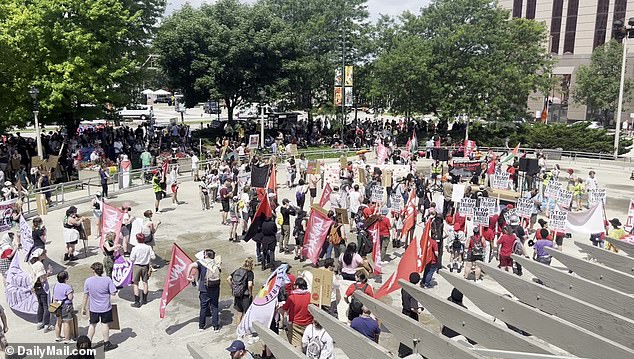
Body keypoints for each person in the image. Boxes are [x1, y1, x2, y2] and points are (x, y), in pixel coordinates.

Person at [82, 262, 118, 351]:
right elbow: (113, 293)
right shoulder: (107, 280)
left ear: (93, 270)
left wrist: (83, 307)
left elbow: (86, 295)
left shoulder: (88, 281)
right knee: (105, 325)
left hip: (94, 308)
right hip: (105, 308)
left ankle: (87, 345)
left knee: (92, 325)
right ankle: (106, 344)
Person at [187, 249, 222, 331]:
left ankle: (201, 326)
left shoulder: (201, 263)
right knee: (215, 307)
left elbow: (191, 266)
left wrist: (187, 275)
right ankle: (215, 326)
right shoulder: (216, 263)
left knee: (203, 307)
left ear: (206, 255)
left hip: (204, 288)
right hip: (215, 287)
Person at [282, 277, 313, 348]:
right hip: (309, 323)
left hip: (295, 324)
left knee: (296, 345)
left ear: (297, 286)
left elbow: (285, 308)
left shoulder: (292, 297)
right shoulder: (310, 296)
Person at [28, 248, 53, 332]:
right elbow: (42, 279)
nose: (46, 255)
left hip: (36, 287)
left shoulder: (34, 264)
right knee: (46, 306)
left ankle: (39, 322)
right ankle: (46, 324)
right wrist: (48, 273)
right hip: (42, 287)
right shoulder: (39, 265)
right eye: (44, 253)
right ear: (40, 255)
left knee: (40, 304)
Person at [399, 272, 422, 357]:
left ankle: (401, 351)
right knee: (412, 335)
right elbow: (413, 308)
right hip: (411, 315)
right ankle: (408, 352)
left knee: (404, 333)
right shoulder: (413, 291)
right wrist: (419, 310)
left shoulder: (404, 288)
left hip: (404, 312)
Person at [129, 233, 156, 308]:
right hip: (145, 266)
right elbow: (153, 257)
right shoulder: (148, 247)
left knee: (136, 284)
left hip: (137, 266)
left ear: (137, 239)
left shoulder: (135, 248)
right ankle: (144, 300)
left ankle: (137, 302)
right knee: (145, 283)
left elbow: (131, 259)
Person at [227, 257, 254, 325]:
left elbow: (228, 279)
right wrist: (250, 293)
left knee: (239, 313)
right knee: (246, 313)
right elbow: (250, 284)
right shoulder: (249, 273)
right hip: (245, 295)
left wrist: (233, 288)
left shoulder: (237, 270)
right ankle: (244, 329)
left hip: (237, 294)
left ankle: (238, 330)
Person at [53, 270, 75, 343]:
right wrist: (72, 291)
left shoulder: (55, 285)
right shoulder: (67, 287)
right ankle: (67, 339)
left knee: (58, 322)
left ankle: (57, 337)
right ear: (66, 278)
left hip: (57, 305)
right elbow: (70, 298)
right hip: (66, 306)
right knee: (66, 322)